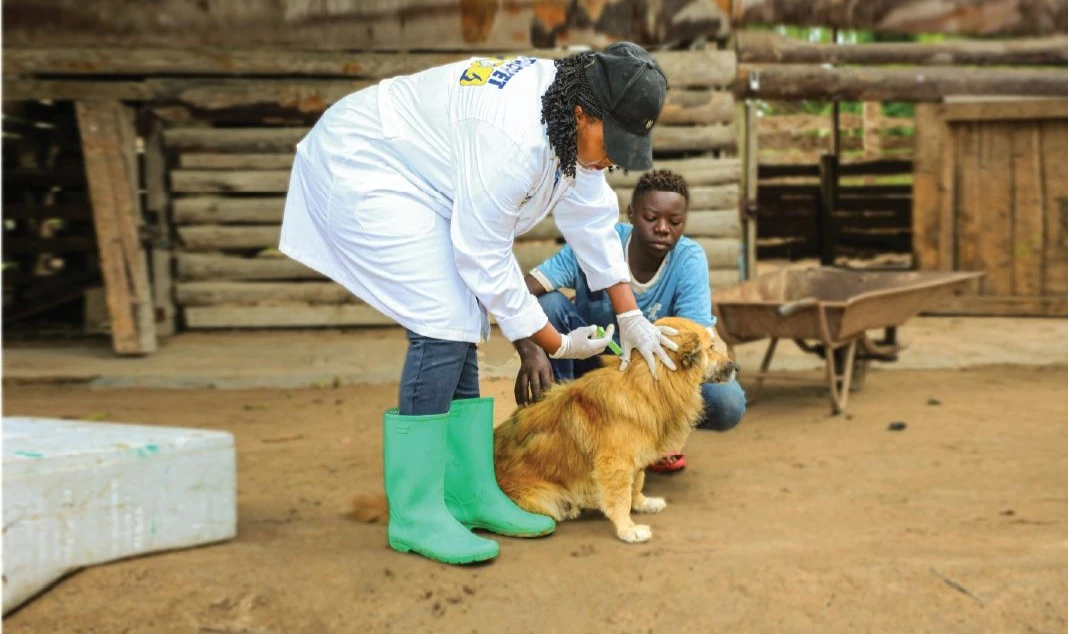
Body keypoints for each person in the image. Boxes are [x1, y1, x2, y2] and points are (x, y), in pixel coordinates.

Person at [279, 43, 680, 565]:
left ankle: (469, 491)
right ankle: (417, 513)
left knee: (463, 315)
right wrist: (552, 342)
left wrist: (629, 316)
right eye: (614, 143)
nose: (613, 159)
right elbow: (485, 255)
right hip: (366, 165)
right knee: (442, 318)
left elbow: (593, 221)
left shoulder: (568, 119)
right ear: (584, 112)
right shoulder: (513, 137)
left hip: (426, 177)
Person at [516, 169, 748, 472]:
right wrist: (530, 351)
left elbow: (693, 346)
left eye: (675, 222)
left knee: (728, 402)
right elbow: (520, 293)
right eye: (651, 218)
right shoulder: (596, 243)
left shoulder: (689, 259)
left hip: (653, 373)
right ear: (631, 214)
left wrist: (660, 422)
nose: (663, 228)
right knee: (550, 304)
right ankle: (563, 435)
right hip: (589, 365)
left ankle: (648, 438)